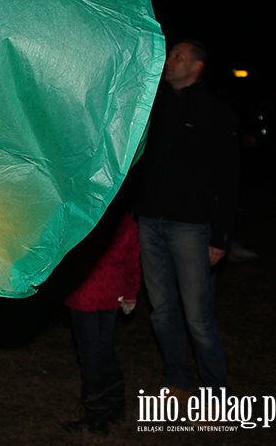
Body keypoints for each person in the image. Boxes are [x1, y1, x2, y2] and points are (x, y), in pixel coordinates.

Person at [132, 39, 238, 403]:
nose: (169, 61)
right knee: (161, 311)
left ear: (196, 67)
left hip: (190, 228)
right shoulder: (153, 108)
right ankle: (178, 377)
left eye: (178, 56)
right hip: (149, 222)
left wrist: (220, 236)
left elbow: (228, 178)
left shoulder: (215, 114)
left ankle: (215, 392)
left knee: (197, 315)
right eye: (170, 55)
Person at [61, 194, 141, 437]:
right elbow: (132, 263)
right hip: (111, 296)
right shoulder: (126, 223)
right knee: (104, 350)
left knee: (90, 355)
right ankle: (116, 408)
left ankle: (97, 419)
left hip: (85, 296)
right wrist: (130, 293)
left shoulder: (84, 221)